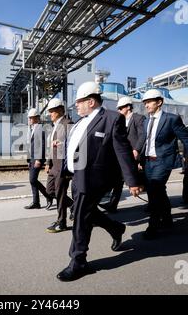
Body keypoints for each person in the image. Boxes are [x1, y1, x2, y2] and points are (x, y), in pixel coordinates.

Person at [57, 82, 142, 282]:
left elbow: (122, 150)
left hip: (94, 179)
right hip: (76, 177)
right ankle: (116, 228)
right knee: (85, 212)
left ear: (91, 101)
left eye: (79, 102)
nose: (76, 106)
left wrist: (132, 180)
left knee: (80, 218)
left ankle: (78, 262)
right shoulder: (79, 122)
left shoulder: (112, 119)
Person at [141, 89, 188, 240]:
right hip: (148, 162)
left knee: (156, 190)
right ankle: (167, 218)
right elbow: (145, 143)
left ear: (159, 102)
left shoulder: (171, 119)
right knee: (156, 191)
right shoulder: (145, 121)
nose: (146, 105)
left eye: (149, 102)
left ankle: (153, 225)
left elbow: (186, 139)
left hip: (163, 161)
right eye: (145, 102)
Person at [99, 96, 146, 213]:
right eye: (118, 108)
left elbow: (142, 136)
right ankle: (112, 205)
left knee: (141, 182)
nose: (119, 110)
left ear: (128, 107)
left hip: (135, 155)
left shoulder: (139, 118)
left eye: (121, 108)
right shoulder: (119, 120)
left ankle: (155, 204)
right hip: (123, 156)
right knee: (117, 181)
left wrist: (137, 150)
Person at [44, 98, 74, 233]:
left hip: (62, 166)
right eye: (50, 111)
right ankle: (73, 205)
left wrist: (62, 145)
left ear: (60, 110)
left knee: (60, 195)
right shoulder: (54, 125)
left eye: (53, 111)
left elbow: (73, 145)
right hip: (53, 166)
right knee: (50, 191)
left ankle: (61, 222)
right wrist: (48, 163)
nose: (50, 114)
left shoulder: (68, 124)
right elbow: (51, 147)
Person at [25, 108, 53, 210]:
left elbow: (42, 145)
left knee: (33, 180)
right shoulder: (32, 129)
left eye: (31, 118)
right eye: (29, 118)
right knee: (33, 180)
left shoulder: (40, 129)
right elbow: (30, 145)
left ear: (37, 118)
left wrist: (38, 159)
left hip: (37, 158)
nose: (30, 120)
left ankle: (49, 196)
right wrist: (29, 160)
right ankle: (36, 202)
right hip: (32, 158)